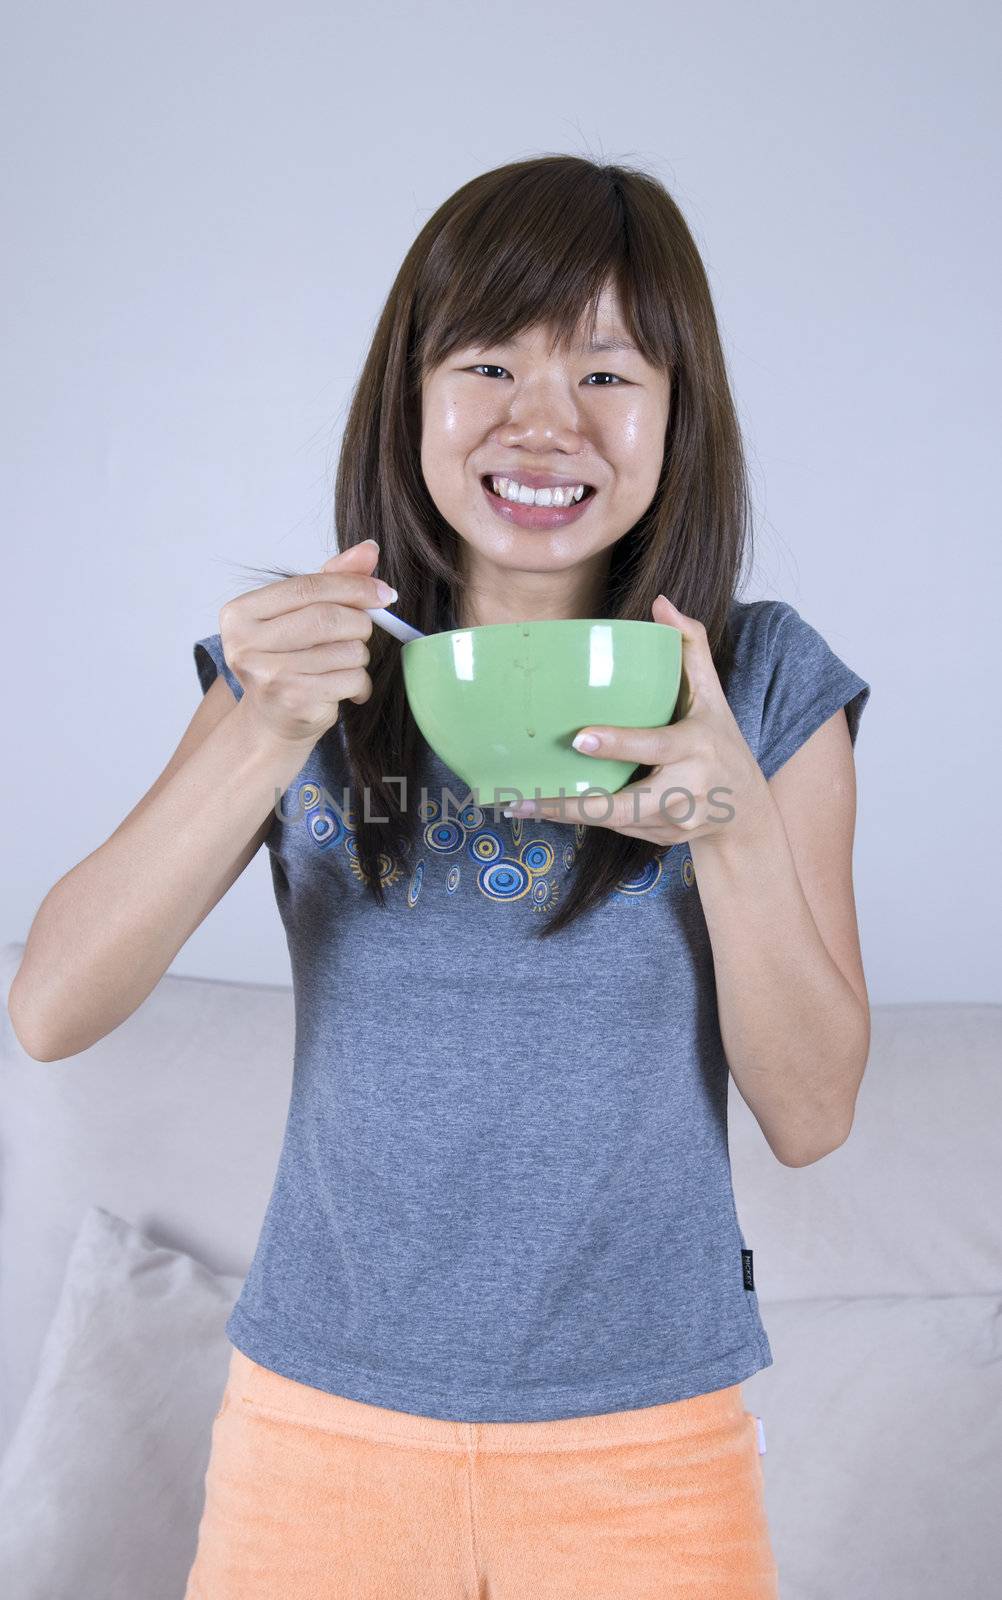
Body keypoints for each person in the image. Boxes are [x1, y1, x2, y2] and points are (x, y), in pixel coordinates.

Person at [9, 154, 872, 1599]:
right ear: (411, 394)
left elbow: (812, 1113)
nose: (544, 422)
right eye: (488, 361)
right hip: (316, 1429)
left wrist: (727, 824)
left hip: (647, 1445)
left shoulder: (761, 682)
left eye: (608, 373)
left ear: (677, 416)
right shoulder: (298, 661)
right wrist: (265, 727)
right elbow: (48, 1009)